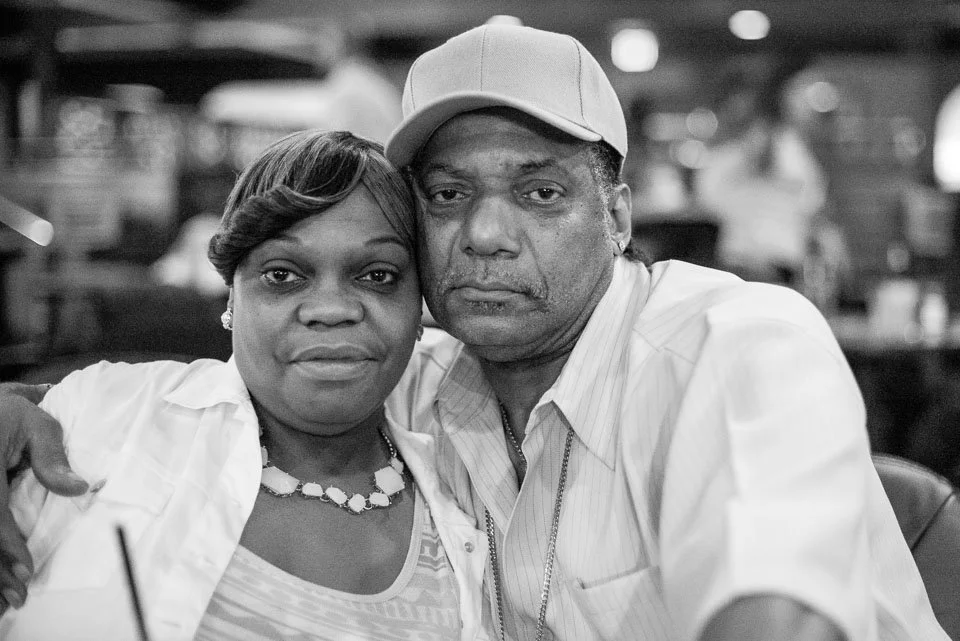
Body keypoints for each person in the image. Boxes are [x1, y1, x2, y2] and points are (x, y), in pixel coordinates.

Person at [0, 23, 951, 641]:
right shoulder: (423, 381)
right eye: (449, 195)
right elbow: (194, 400)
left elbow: (777, 615)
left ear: (617, 214)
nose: (488, 235)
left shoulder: (736, 346)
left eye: (541, 192)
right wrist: (16, 413)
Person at [0, 129, 488, 640]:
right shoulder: (101, 418)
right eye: (282, 274)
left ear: (420, 310)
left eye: (377, 275)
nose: (331, 309)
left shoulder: (469, 492)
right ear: (230, 296)